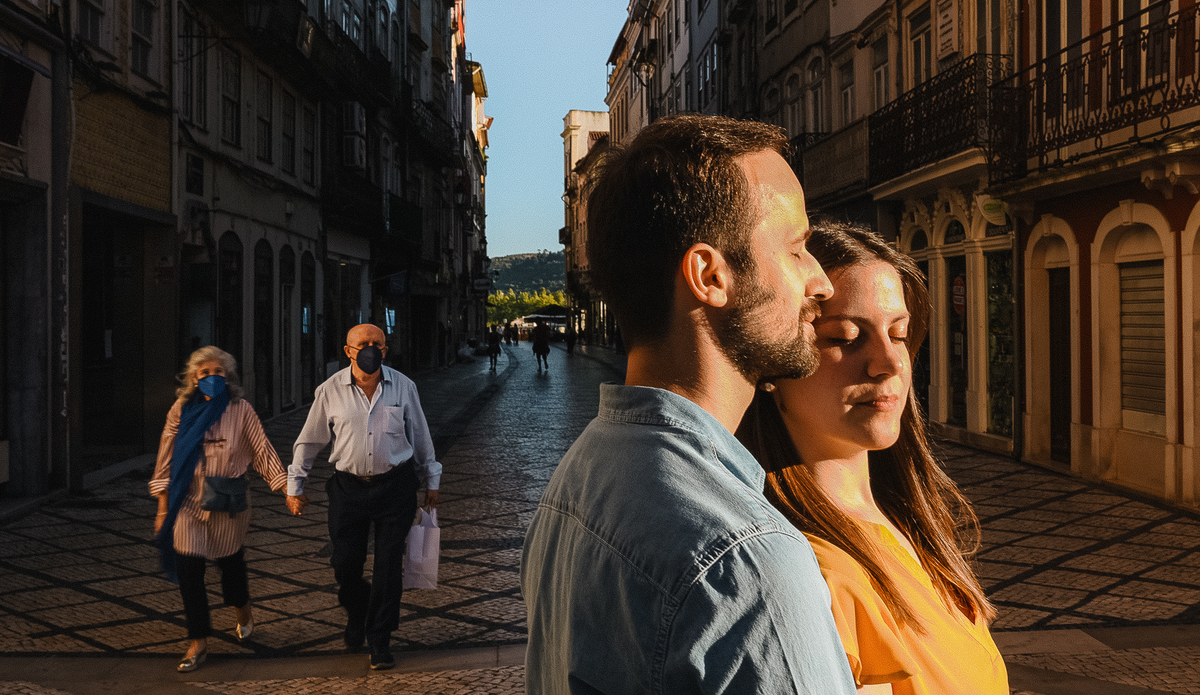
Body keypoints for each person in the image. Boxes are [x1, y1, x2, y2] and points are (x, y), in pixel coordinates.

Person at [521, 114, 857, 694]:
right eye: (798, 248)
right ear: (709, 275)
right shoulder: (749, 563)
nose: (822, 281)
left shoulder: (574, 481)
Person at [737, 223, 1008, 695]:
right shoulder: (814, 576)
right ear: (774, 361)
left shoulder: (907, 519)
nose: (889, 362)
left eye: (899, 333)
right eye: (844, 336)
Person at [287, 324, 441, 671]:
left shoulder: (403, 386)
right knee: (345, 564)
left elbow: (420, 434)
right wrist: (296, 484)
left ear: (385, 350)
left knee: (388, 567)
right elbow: (308, 440)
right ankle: (359, 612)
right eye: (363, 344)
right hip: (348, 489)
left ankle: (380, 638)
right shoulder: (330, 391)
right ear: (348, 351)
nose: (370, 349)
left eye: (377, 344)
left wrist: (431, 477)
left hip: (395, 486)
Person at [150, 346, 287, 673]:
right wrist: (162, 506)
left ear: (228, 377)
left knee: (230, 565)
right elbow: (165, 457)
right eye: (205, 373)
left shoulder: (241, 410)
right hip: (188, 501)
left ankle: (242, 607)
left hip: (228, 503)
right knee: (189, 570)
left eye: (218, 372)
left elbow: (261, 450)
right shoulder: (181, 410)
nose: (212, 378)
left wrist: (284, 486)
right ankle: (198, 640)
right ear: (194, 379)